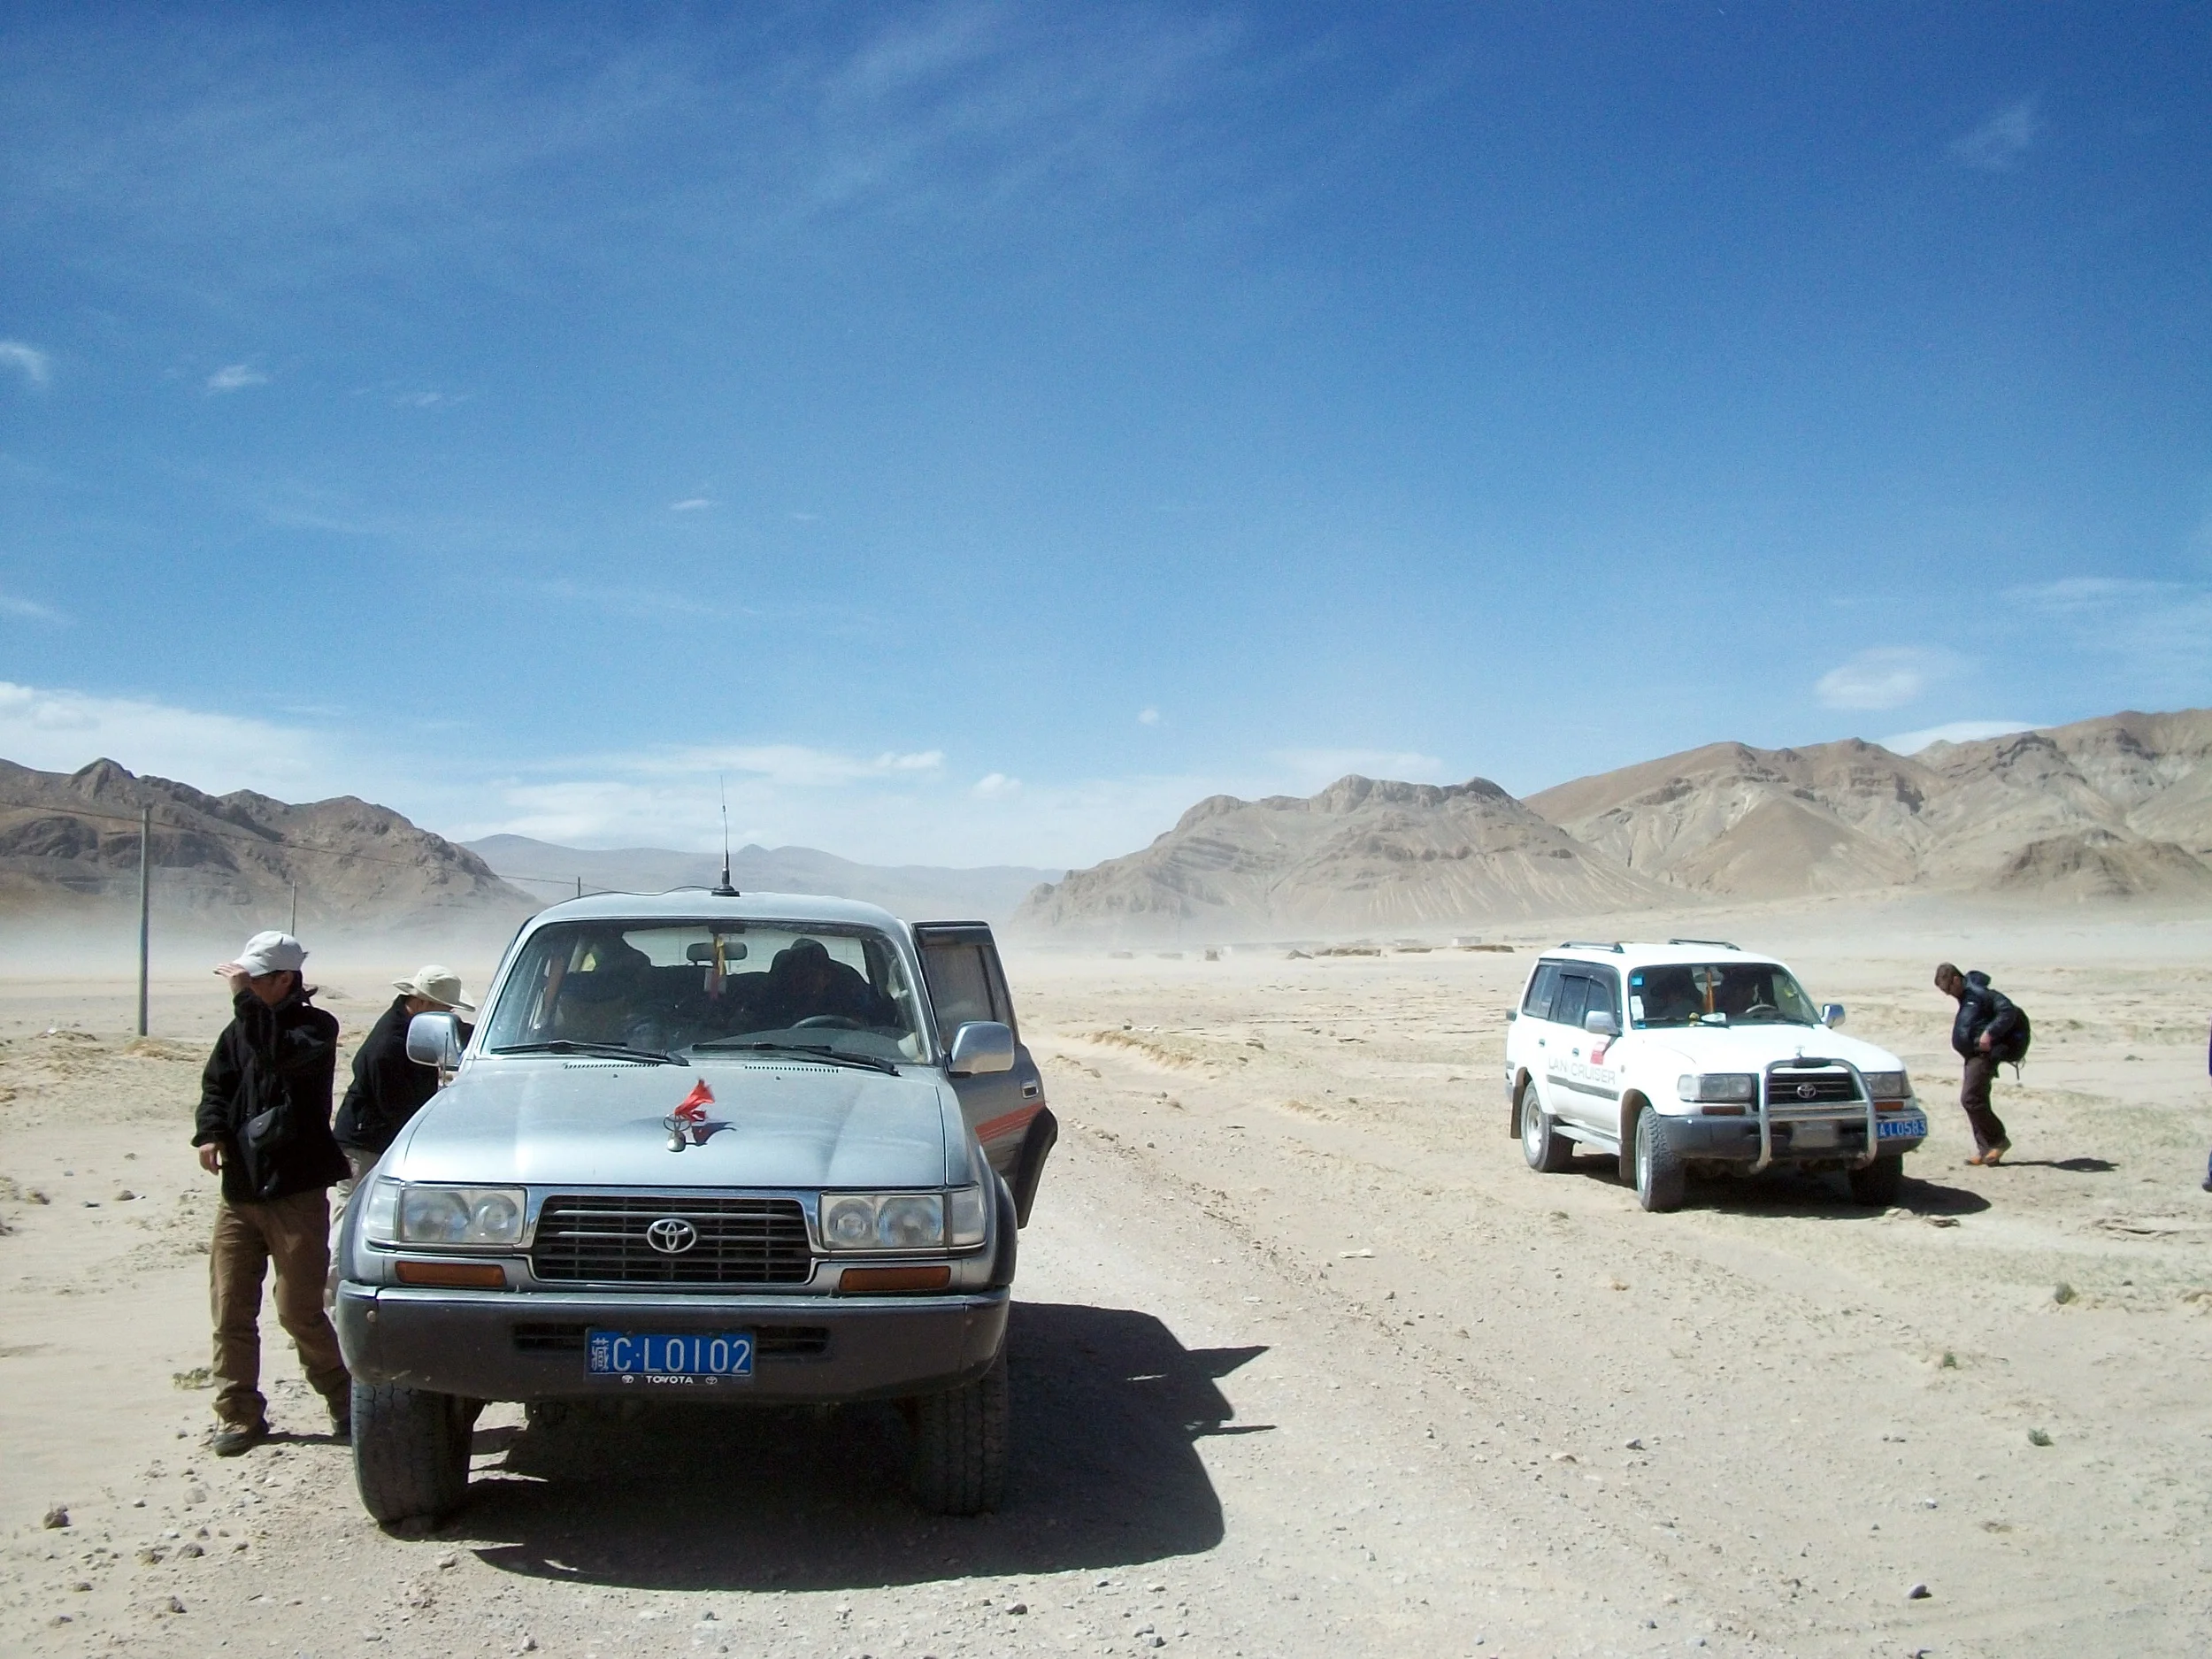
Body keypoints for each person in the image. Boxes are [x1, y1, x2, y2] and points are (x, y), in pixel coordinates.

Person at [190, 930, 352, 1455]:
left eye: (256, 979)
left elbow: (279, 1055)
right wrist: (212, 1131)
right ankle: (238, 1414)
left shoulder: (315, 1028)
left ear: (285, 979)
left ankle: (345, 1397)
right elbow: (217, 1085)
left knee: (297, 1309)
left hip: (295, 1191)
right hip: (240, 1192)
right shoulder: (240, 1028)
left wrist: (243, 1001)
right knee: (231, 1308)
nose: (247, 986)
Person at [332, 965, 475, 1202]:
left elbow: (455, 1032)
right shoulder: (389, 1044)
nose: (449, 1014)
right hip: (365, 1143)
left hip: (380, 1135)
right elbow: (394, 1105)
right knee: (354, 1208)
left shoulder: (412, 1026)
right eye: (445, 1008)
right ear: (423, 1003)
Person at [1935, 962, 2022, 1167]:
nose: (1947, 994)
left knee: (1971, 1099)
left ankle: (1998, 1141)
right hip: (1972, 1054)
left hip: (1984, 1055)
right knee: (1975, 1100)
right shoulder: (1967, 996)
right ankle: (1986, 1150)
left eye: (1947, 988)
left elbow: (2007, 1010)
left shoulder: (1979, 993)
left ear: (1956, 980)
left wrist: (1989, 1033)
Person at [762, 937, 895, 1029]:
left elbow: (876, 1029)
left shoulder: (851, 995)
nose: (807, 981)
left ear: (828, 975)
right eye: (801, 975)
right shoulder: (771, 1004)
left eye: (814, 974)